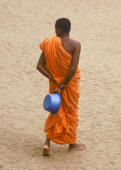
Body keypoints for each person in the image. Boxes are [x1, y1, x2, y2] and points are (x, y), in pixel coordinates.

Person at [37, 18, 85, 156]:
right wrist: (63, 85)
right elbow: (73, 69)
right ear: (69, 29)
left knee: (55, 111)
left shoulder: (48, 44)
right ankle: (72, 144)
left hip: (55, 83)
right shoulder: (75, 44)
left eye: (55, 28)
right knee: (71, 111)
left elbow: (39, 66)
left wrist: (54, 80)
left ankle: (47, 143)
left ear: (58, 29)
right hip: (69, 84)